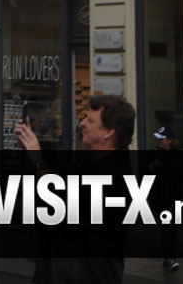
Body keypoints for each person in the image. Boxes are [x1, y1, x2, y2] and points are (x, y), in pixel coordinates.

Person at [15, 93, 136, 284]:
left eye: (90, 120)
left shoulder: (114, 177)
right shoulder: (89, 160)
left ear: (108, 132)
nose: (82, 124)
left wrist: (37, 159)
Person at [140, 126, 183, 273]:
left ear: (170, 140)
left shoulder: (180, 155)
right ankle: (169, 257)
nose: (159, 141)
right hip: (160, 197)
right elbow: (143, 172)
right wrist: (151, 167)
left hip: (176, 196)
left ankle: (167, 255)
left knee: (172, 227)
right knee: (167, 226)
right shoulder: (153, 154)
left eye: (162, 138)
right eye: (158, 138)